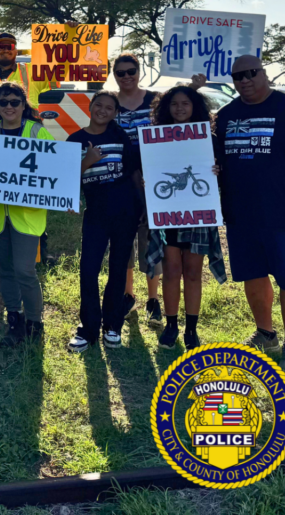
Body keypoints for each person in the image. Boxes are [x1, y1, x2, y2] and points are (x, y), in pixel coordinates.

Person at [215, 55, 285, 373]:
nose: (245, 80)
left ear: (264, 73)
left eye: (251, 73)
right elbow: (217, 159)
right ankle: (266, 334)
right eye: (238, 76)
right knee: (253, 275)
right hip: (241, 213)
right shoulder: (225, 116)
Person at [144, 86, 227, 351]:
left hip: (198, 215)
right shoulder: (156, 138)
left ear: (196, 108)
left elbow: (222, 173)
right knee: (171, 271)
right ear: (166, 108)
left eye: (186, 104)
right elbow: (149, 169)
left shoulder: (209, 138)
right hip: (168, 216)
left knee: (193, 273)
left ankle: (191, 329)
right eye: (174, 104)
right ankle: (171, 325)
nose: (180, 109)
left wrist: (217, 170)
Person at [0, 82, 53, 348]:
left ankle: (35, 322)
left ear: (23, 105)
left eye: (14, 102)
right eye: (4, 102)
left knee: (25, 270)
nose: (9, 107)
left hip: (27, 215)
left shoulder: (37, 132)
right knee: (4, 270)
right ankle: (14, 319)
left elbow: (54, 171)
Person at [65, 92, 141, 352]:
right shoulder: (74, 139)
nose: (103, 111)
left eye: (109, 108)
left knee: (118, 270)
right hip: (96, 214)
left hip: (125, 212)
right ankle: (87, 329)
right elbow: (65, 179)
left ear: (115, 113)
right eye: (99, 105)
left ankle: (112, 325)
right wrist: (88, 161)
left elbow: (134, 172)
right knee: (88, 270)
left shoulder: (120, 137)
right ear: (90, 106)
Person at [110, 53, 162, 328]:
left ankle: (154, 300)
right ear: (114, 75)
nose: (126, 76)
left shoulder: (156, 100)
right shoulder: (109, 103)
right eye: (120, 73)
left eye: (131, 71)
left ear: (139, 71)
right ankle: (127, 295)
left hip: (153, 181)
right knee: (123, 242)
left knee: (151, 239)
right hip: (118, 182)